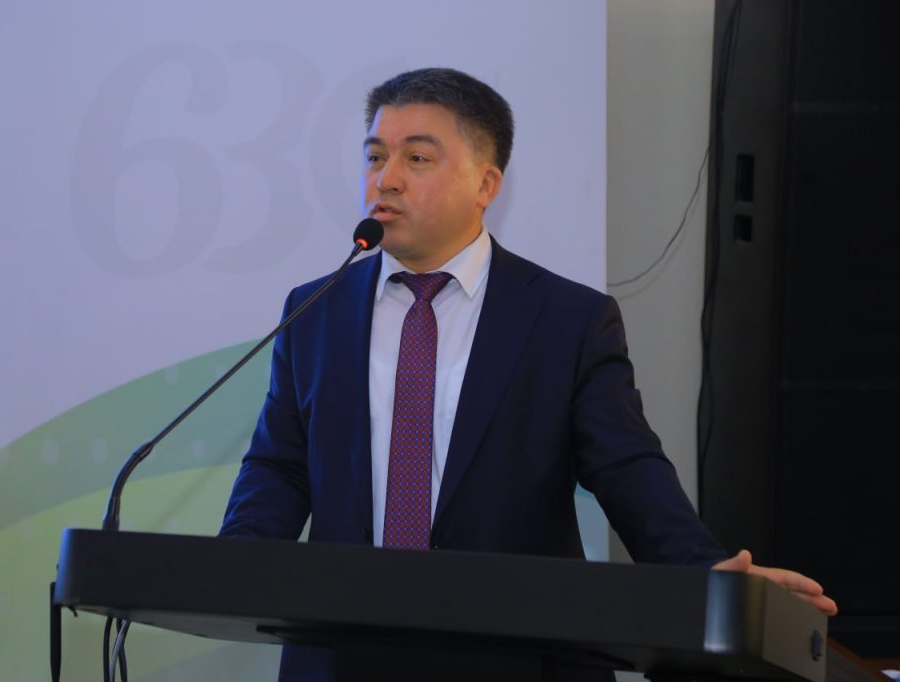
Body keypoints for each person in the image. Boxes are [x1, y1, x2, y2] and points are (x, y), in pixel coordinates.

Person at [219, 67, 835, 681]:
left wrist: (703, 572)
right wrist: (231, 563)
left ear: (486, 184)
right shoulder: (315, 310)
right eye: (375, 156)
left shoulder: (567, 318)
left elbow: (626, 465)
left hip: (517, 655)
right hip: (341, 655)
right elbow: (281, 465)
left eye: (417, 158)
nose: (386, 179)